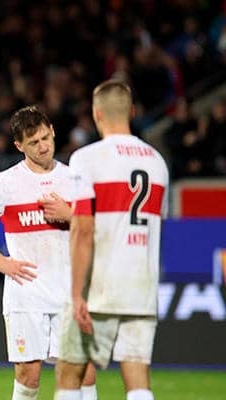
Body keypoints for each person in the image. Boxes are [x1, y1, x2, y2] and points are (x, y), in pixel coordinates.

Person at [0, 106, 97, 400]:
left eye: (45, 138)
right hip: (26, 295)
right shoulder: (6, 183)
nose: (43, 147)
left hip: (69, 292)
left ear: (53, 131)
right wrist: (0, 262)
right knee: (28, 376)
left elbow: (100, 231)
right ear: (19, 146)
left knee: (84, 373)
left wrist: (70, 215)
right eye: (34, 142)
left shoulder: (75, 179)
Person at [54, 81, 169, 400]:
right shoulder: (157, 162)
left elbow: (83, 230)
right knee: (137, 376)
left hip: (101, 285)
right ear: (132, 112)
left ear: (97, 114)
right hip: (142, 284)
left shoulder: (87, 158)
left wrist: (76, 293)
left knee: (69, 372)